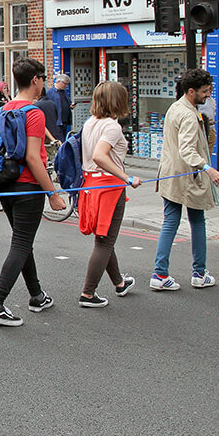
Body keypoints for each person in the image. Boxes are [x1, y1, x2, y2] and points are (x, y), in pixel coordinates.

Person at [0, 58, 68, 327]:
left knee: (22, 239)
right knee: (21, 242)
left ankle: (37, 296)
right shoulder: (34, 112)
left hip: (6, 184)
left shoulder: (5, 108)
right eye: (43, 78)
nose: (44, 82)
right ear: (35, 80)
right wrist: (52, 193)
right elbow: (33, 157)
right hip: (29, 186)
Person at [151, 69, 219, 292]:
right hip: (187, 175)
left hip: (171, 173)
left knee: (171, 222)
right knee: (196, 221)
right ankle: (198, 273)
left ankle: (161, 273)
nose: (208, 96)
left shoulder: (177, 107)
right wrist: (208, 169)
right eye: (205, 92)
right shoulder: (188, 114)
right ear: (191, 91)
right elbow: (187, 150)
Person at [77, 82, 143, 308]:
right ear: (118, 101)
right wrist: (127, 178)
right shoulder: (112, 127)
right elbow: (99, 156)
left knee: (104, 238)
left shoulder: (90, 122)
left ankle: (119, 283)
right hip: (108, 187)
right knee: (104, 242)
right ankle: (88, 293)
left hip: (91, 185)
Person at [46, 74, 73, 141]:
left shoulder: (64, 92)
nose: (66, 86)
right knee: (60, 140)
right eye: (65, 84)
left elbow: (68, 102)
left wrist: (70, 106)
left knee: (64, 139)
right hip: (57, 122)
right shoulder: (50, 93)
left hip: (64, 121)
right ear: (58, 82)